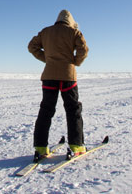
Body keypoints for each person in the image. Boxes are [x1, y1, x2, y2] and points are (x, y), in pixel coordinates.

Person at [28, 9, 89, 159]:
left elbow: (32, 47)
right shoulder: (74, 33)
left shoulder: (46, 32)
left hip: (49, 76)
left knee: (46, 110)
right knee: (73, 109)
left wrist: (47, 59)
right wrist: (75, 62)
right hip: (68, 76)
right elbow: (83, 50)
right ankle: (76, 145)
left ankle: (41, 147)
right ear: (71, 21)